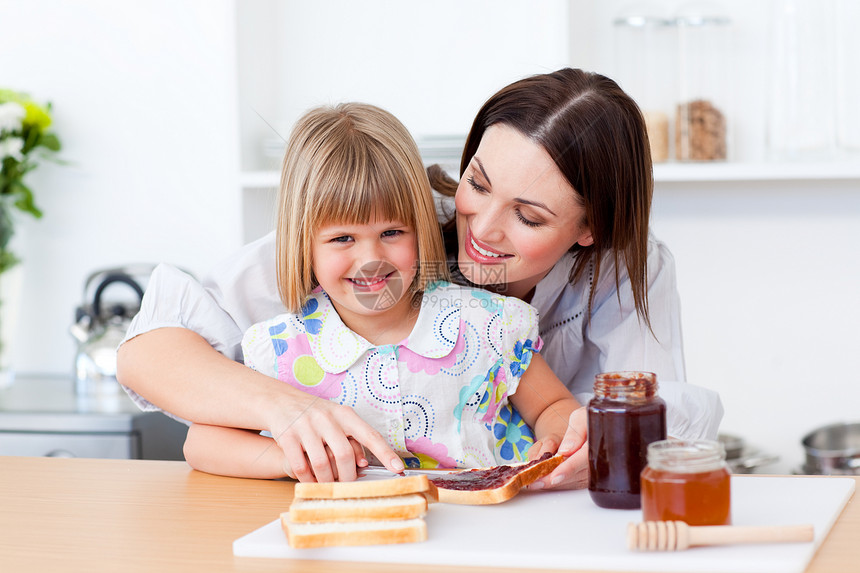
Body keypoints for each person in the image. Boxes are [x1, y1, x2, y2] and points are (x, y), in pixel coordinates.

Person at [117, 68, 721, 488]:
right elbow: (151, 355)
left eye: (529, 216)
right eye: (477, 183)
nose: (481, 226)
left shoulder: (615, 271)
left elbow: (657, 408)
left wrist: (592, 437)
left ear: (592, 229)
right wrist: (287, 414)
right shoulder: (381, 224)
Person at [180, 102, 584, 481]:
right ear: (303, 244)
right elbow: (201, 444)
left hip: (481, 528)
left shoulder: (488, 323)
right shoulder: (284, 348)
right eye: (342, 238)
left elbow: (552, 406)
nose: (371, 258)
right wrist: (290, 459)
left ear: (419, 227)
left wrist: (555, 441)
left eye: (391, 233)